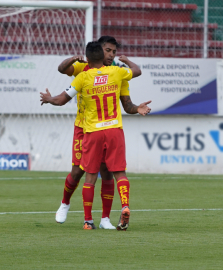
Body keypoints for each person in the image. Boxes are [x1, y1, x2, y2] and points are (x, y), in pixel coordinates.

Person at [40, 41, 151, 230]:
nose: (111, 55)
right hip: (100, 129)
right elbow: (62, 68)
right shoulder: (113, 72)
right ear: (100, 52)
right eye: (108, 51)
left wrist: (49, 99)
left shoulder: (86, 76)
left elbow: (126, 104)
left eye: (114, 52)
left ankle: (96, 220)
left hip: (93, 130)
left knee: (96, 173)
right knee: (84, 171)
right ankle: (67, 204)